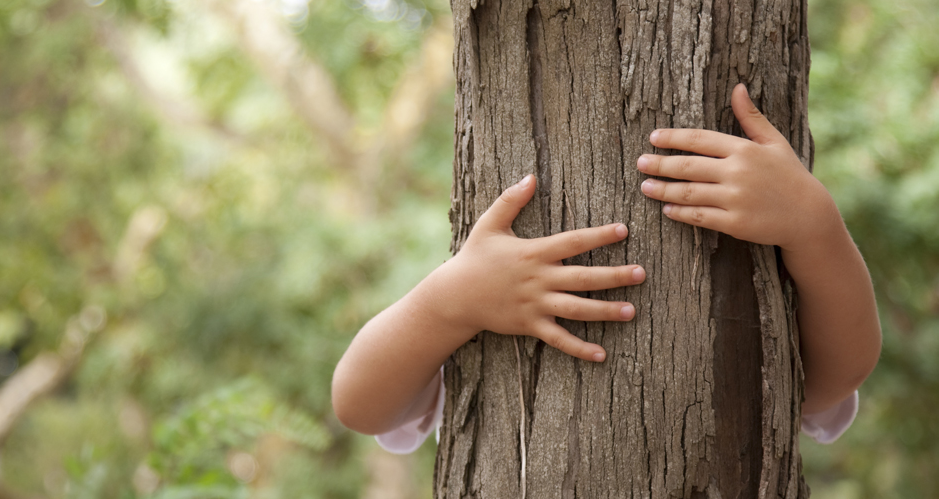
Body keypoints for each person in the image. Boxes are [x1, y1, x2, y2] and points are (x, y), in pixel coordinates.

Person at [331, 84, 881, 453]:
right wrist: (451, 300)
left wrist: (815, 228)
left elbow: (830, 380)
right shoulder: (491, 318)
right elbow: (360, 404)